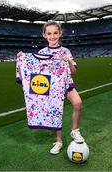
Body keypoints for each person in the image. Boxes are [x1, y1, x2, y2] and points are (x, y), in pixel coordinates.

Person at [16, 20, 85, 155]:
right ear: (44, 35)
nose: (52, 36)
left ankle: (74, 130)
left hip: (65, 83)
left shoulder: (66, 51)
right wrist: (22, 58)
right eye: (49, 33)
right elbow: (36, 70)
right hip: (50, 88)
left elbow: (74, 71)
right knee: (55, 112)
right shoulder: (42, 51)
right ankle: (58, 141)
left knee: (78, 103)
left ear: (59, 34)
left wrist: (69, 61)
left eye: (55, 33)